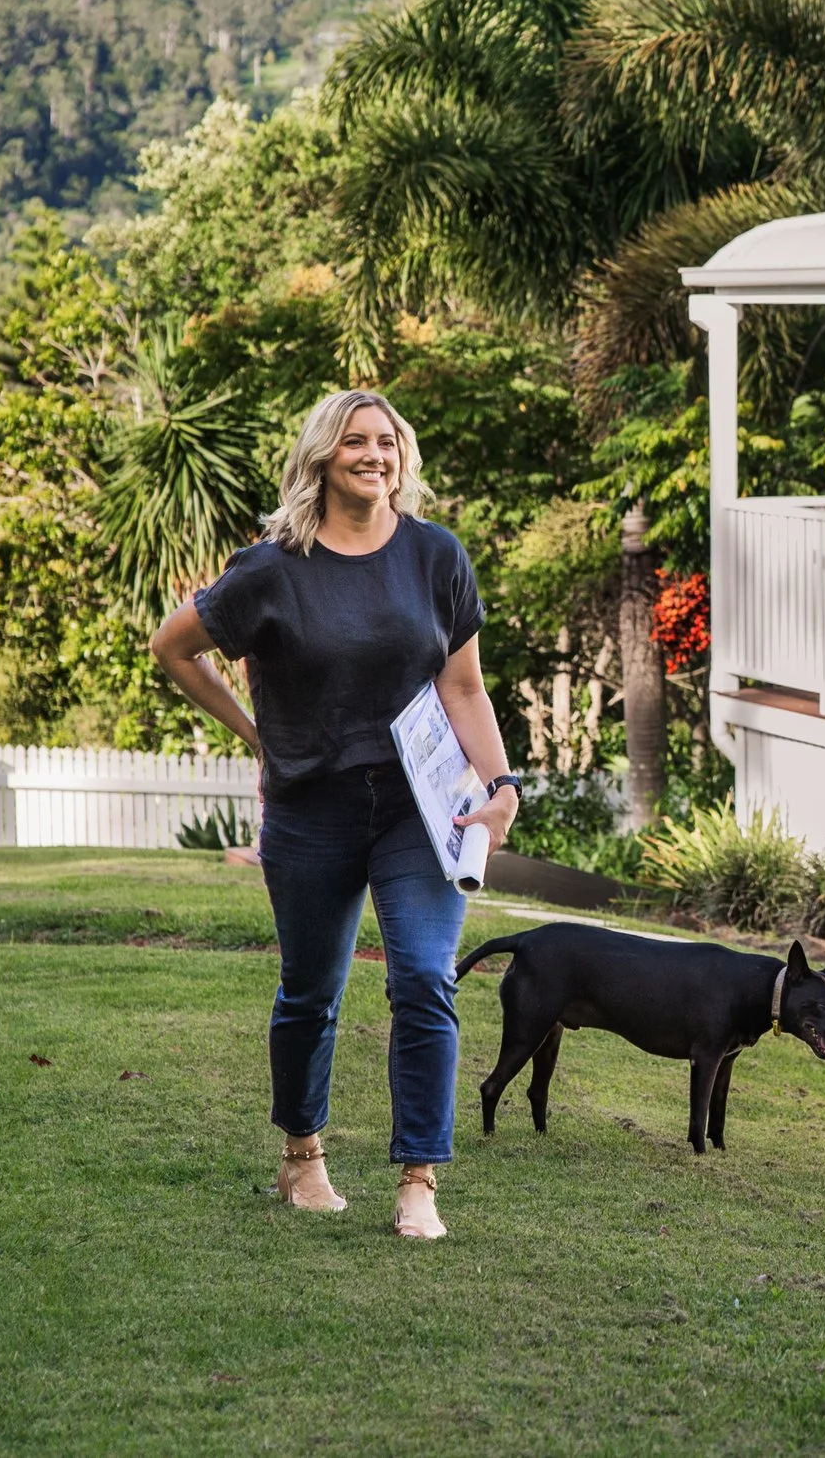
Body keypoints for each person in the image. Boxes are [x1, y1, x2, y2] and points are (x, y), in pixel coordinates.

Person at [151, 389, 519, 1240]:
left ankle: (419, 1180)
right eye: (354, 441)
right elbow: (174, 645)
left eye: (386, 441)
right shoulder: (272, 567)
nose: (373, 455)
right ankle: (302, 1157)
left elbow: (462, 686)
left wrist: (501, 784)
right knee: (311, 991)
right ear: (323, 454)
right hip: (311, 808)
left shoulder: (435, 556)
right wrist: (256, 735)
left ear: (402, 454)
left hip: (418, 809)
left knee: (425, 977)